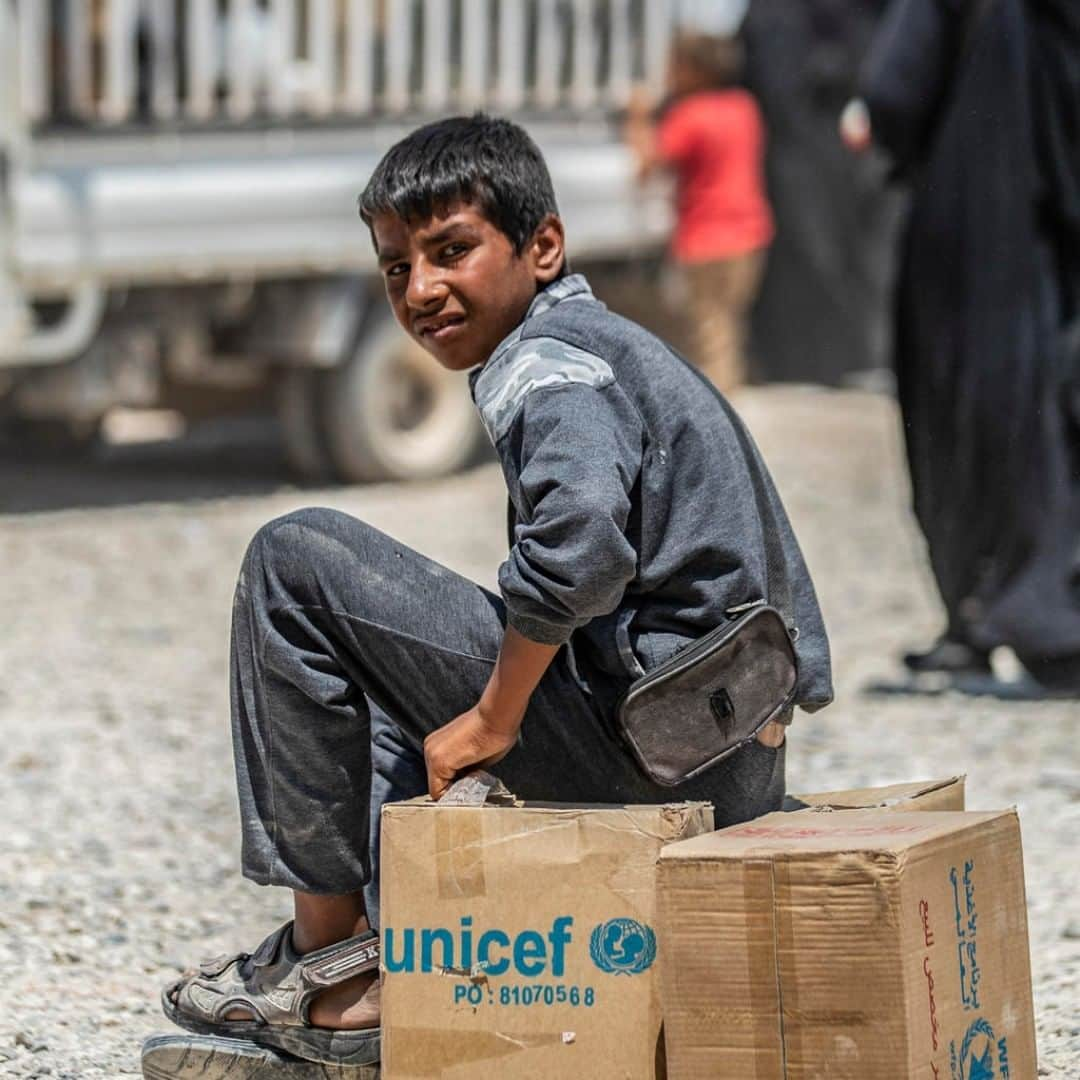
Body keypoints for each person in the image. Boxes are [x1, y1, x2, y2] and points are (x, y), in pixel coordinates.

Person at [161, 114, 832, 1064]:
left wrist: (495, 718)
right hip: (720, 755)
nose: (422, 289)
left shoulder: (547, 363)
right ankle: (409, 951)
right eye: (397, 267)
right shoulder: (609, 346)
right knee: (386, 666)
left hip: (655, 760)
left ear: (543, 246)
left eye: (452, 250)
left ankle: (332, 977)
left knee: (293, 559)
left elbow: (580, 551)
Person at [848, 0, 1080, 691]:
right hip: (1056, 224)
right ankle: (1039, 610)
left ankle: (994, 615)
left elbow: (890, 95)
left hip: (976, 222)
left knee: (965, 420)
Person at [625, 31, 773, 393]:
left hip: (706, 240)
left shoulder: (691, 116)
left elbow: (648, 164)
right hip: (751, 236)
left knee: (708, 335)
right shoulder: (744, 107)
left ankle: (718, 419)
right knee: (728, 329)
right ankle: (729, 401)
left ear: (694, 70)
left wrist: (638, 118)